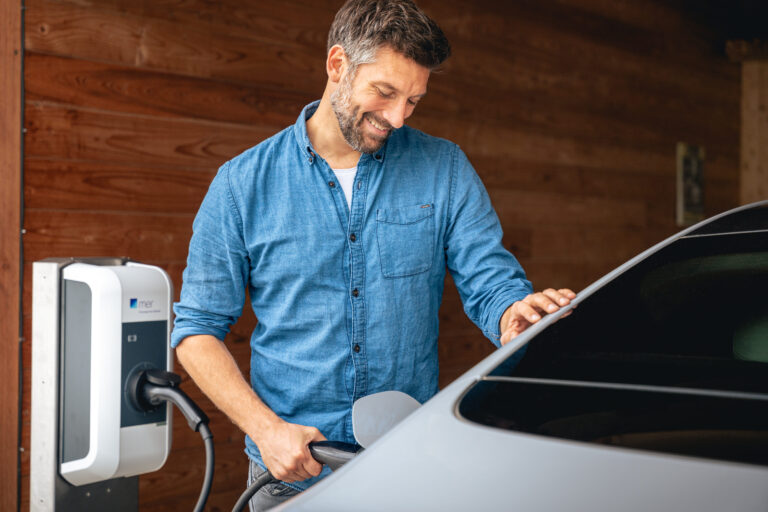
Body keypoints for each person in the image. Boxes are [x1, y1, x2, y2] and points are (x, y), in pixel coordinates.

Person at [171, 0, 575, 509]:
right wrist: (266, 430)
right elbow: (196, 332)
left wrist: (512, 315)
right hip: (290, 475)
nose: (397, 118)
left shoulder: (444, 168)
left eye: (413, 101)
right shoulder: (241, 184)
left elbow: (490, 281)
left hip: (409, 468)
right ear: (337, 65)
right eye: (384, 93)